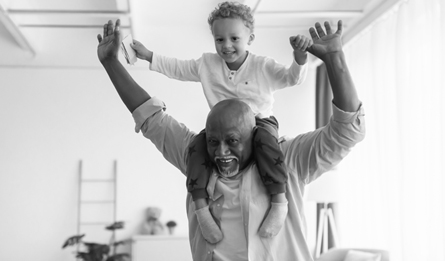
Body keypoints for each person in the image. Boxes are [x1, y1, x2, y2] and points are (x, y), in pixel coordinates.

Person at [97, 19, 365, 260]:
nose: (221, 152)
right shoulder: (196, 155)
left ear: (253, 135)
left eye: (233, 141)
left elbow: (346, 131)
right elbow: (151, 118)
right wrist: (111, 62)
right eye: (213, 141)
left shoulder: (288, 158)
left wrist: (335, 59)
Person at [129, 1, 313, 243]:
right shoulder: (207, 64)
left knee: (268, 145)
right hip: (221, 128)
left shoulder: (262, 66)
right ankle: (202, 210)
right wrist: (148, 55)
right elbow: (178, 68)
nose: (226, 46)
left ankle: (279, 202)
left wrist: (300, 58)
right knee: (196, 148)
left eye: (234, 38)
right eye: (220, 40)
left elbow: (292, 78)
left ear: (250, 37)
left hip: (259, 123)